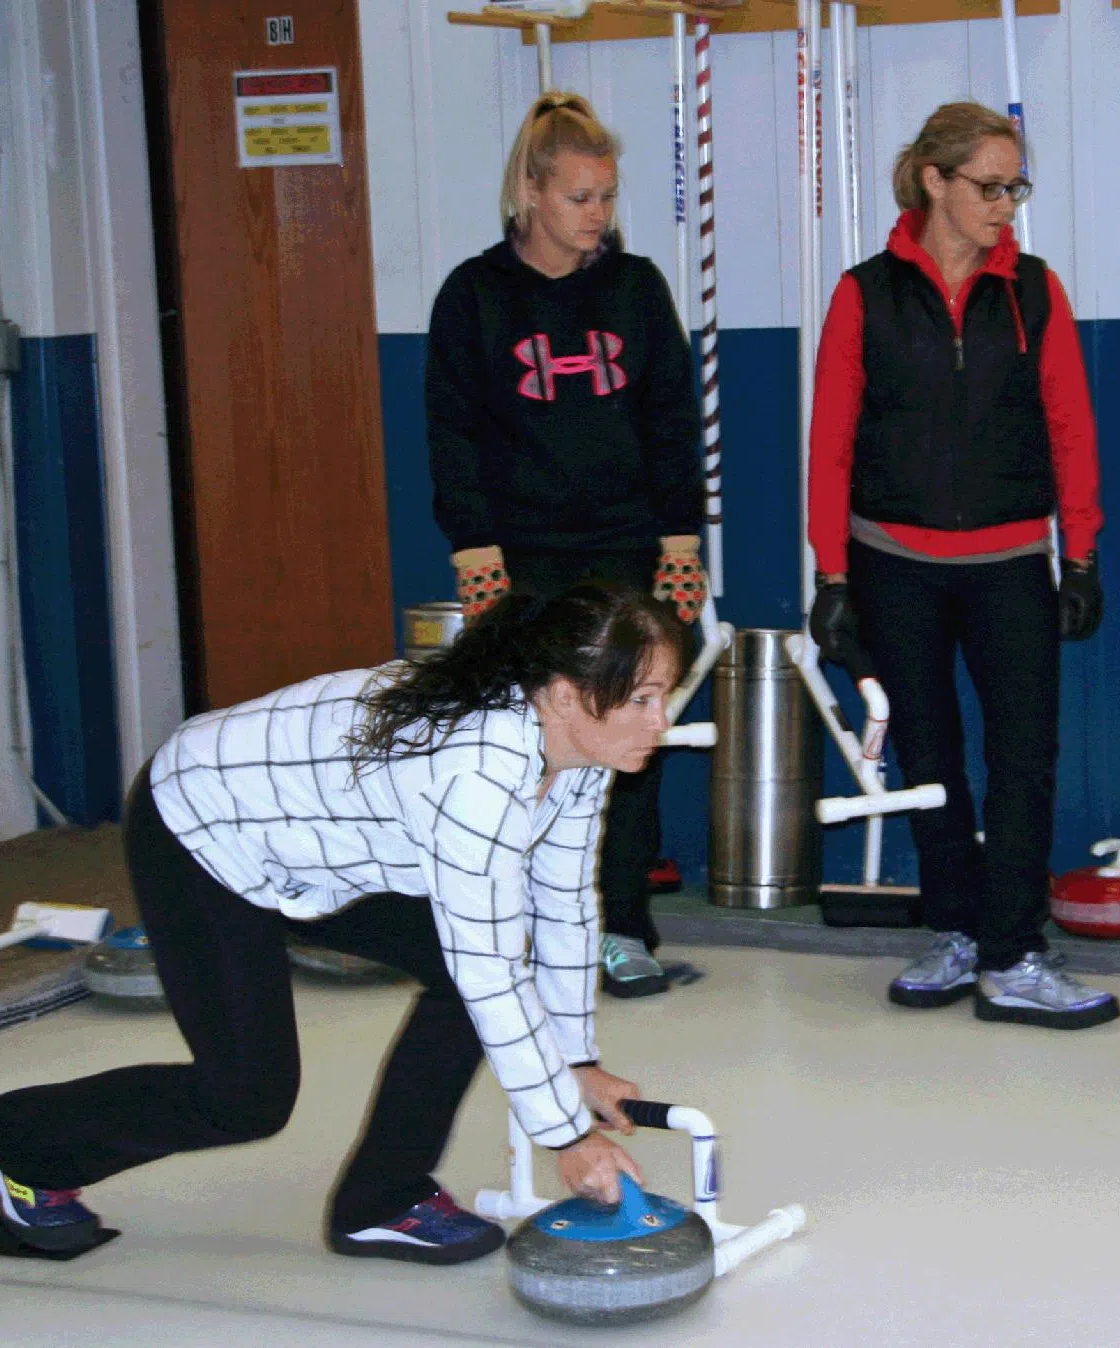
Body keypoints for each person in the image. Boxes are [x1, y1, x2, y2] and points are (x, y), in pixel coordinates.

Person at [0, 585, 686, 1260]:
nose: (662, 721)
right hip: (206, 826)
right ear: (563, 693)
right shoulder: (477, 775)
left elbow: (560, 904)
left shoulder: (580, 752)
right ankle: (14, 1143)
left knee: (469, 980)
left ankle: (382, 1199)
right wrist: (562, 1132)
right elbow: (489, 964)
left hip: (322, 847)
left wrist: (575, 1057)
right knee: (245, 1097)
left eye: (664, 696)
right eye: (644, 699)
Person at [806, 101, 1114, 1030]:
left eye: (1016, 186)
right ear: (934, 181)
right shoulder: (865, 293)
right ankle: (955, 930)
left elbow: (1071, 424)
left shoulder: (1034, 291)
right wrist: (832, 576)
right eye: (990, 186)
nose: (1006, 205)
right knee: (929, 756)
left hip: (1012, 560)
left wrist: (1084, 551)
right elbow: (831, 442)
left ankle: (1013, 950)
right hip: (893, 562)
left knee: (1025, 759)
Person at [426, 91, 705, 1000]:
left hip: (628, 549)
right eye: (582, 197)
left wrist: (681, 538)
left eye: (608, 197)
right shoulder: (475, 296)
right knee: (518, 745)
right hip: (523, 554)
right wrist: (475, 550)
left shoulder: (634, 288)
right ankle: (516, 931)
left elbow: (671, 419)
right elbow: (452, 429)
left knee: (628, 738)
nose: (599, 216)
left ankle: (621, 928)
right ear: (531, 192)